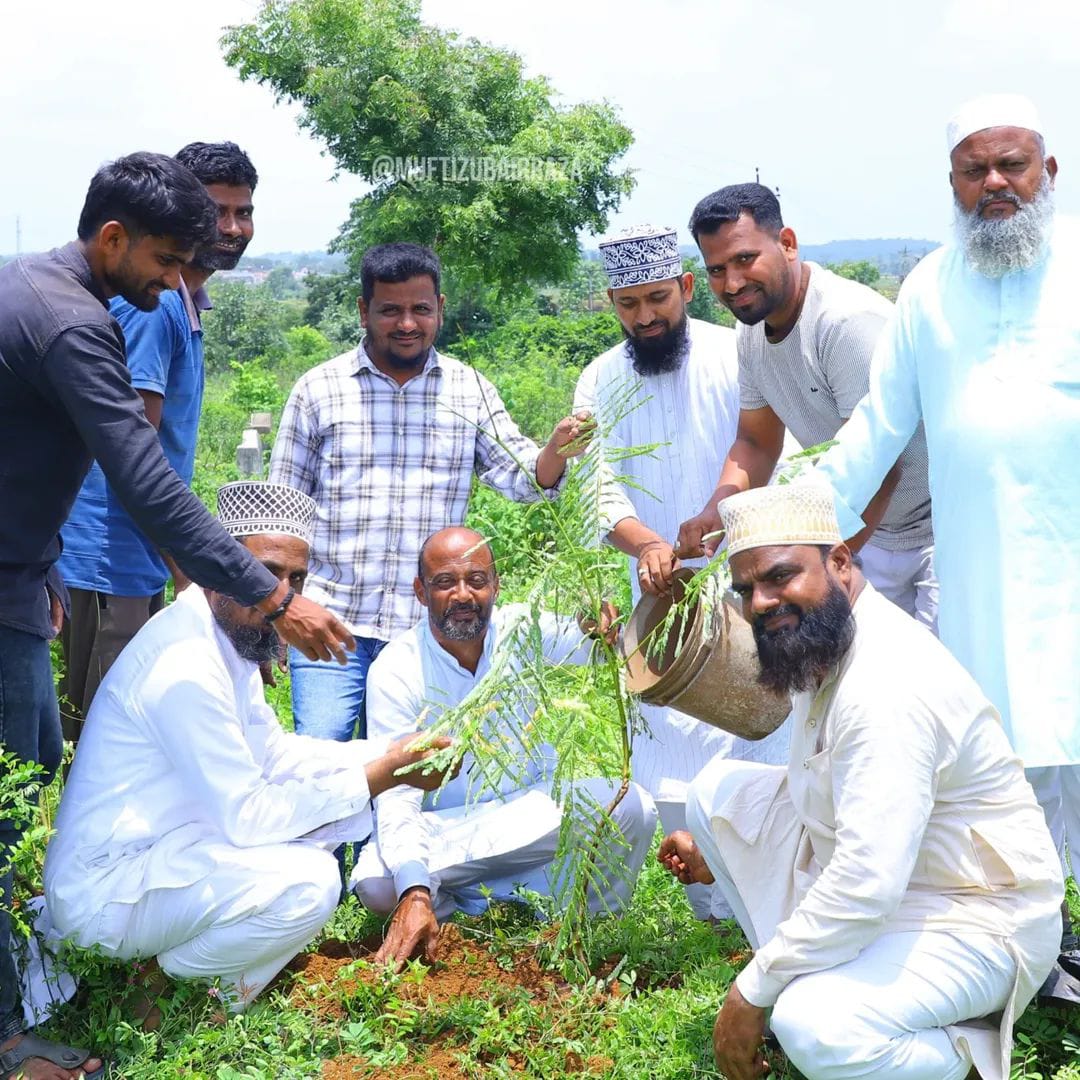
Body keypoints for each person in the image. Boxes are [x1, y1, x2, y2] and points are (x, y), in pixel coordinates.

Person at [0, 153, 351, 1080]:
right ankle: (9, 1036)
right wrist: (276, 596)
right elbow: (145, 480)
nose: (170, 284)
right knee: (4, 805)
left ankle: (27, 988)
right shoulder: (75, 324)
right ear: (111, 239)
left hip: (18, 581)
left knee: (26, 779)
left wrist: (33, 565)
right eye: (164, 261)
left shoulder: (32, 287)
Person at [660, 484, 1062, 1080]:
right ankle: (817, 973)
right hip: (900, 875)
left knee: (813, 1026)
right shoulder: (829, 637)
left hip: (974, 911)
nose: (762, 604)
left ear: (841, 563)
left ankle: (960, 1061)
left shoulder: (886, 686)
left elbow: (868, 883)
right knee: (717, 797)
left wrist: (748, 995)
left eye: (780, 577)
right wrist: (732, 849)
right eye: (746, 590)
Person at [807, 95, 1080, 902]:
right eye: (975, 170)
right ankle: (1037, 933)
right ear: (953, 183)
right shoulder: (928, 287)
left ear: (1049, 172)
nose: (996, 182)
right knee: (1002, 751)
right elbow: (879, 424)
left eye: (1013, 165)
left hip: (1072, 559)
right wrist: (794, 519)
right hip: (980, 572)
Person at [43, 482, 451, 1016]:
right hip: (108, 891)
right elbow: (249, 818)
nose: (279, 594)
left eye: (294, 579)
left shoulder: (226, 636)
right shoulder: (185, 663)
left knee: (309, 842)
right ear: (219, 564)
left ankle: (173, 976)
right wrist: (382, 776)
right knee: (308, 884)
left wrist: (389, 753)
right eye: (263, 573)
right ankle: (169, 996)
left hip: (165, 857)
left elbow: (273, 755)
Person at [269, 242, 592, 745]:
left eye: (420, 309)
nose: (406, 323)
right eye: (390, 310)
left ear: (440, 308)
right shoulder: (319, 390)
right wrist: (279, 612)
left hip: (426, 633)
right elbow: (282, 519)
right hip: (330, 624)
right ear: (363, 311)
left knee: (414, 772)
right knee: (324, 762)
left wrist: (555, 450)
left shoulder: (469, 391)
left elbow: (523, 477)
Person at [573, 224, 788, 922]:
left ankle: (759, 900)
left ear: (688, 288)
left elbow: (765, 453)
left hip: (744, 581)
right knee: (667, 738)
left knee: (759, 733)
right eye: (628, 304)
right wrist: (645, 548)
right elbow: (595, 487)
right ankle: (701, 903)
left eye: (658, 299)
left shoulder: (739, 356)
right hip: (657, 594)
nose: (645, 317)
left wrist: (717, 532)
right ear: (611, 302)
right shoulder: (600, 378)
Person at [351, 527, 657, 970]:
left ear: (496, 585)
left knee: (630, 807)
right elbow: (397, 794)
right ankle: (495, 901)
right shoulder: (396, 670)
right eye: (444, 583)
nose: (463, 595)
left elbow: (602, 648)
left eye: (476, 580)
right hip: (445, 830)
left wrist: (599, 625)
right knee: (380, 885)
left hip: (530, 812)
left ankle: (583, 921)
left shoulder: (523, 628)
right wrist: (414, 888)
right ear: (420, 591)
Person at [57, 141, 259, 735]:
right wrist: (190, 571)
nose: (231, 228)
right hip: (106, 558)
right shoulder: (154, 306)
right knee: (102, 735)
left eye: (242, 212)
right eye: (215, 212)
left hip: (138, 556)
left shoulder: (185, 300)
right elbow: (134, 457)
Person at [676, 184, 937, 631]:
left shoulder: (844, 324)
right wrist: (716, 511)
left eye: (744, 259)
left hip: (936, 532)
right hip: (872, 531)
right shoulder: (752, 332)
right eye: (717, 269)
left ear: (788, 244)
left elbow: (880, 463)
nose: (732, 283)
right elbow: (756, 441)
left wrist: (823, 565)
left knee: (943, 678)